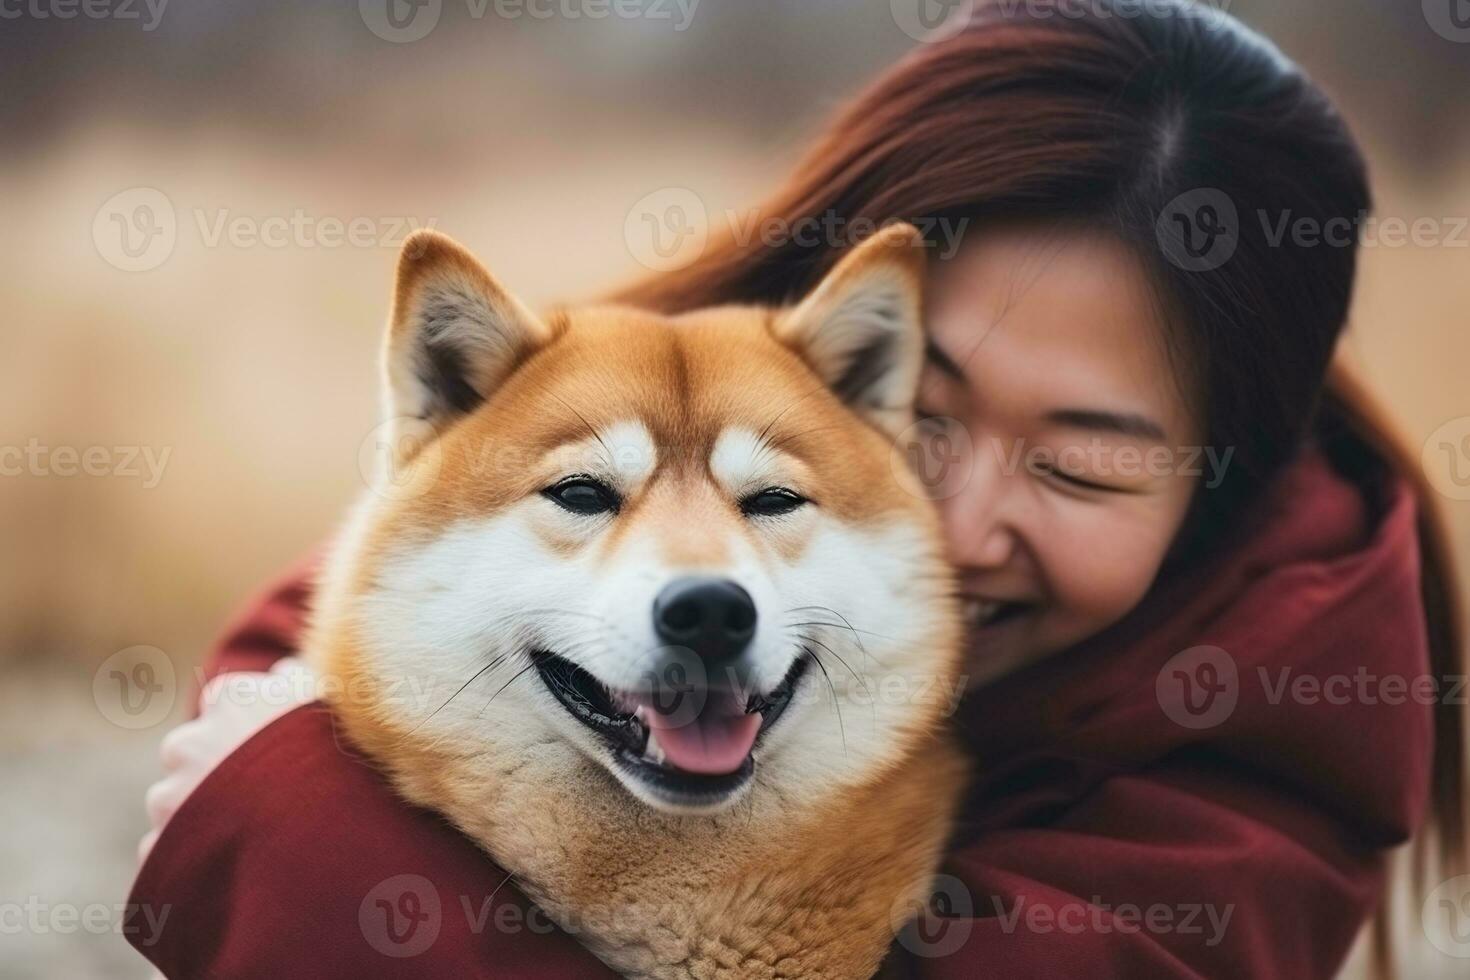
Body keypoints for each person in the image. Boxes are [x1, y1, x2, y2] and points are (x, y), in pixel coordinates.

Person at [128, 2, 1466, 976]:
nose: (942, 530)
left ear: (1226, 498)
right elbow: (329, 632)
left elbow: (255, 770)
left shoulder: (1268, 758)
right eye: (910, 420)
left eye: (1079, 467)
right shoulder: (655, 379)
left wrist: (301, 842)